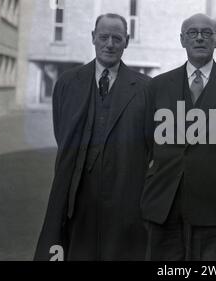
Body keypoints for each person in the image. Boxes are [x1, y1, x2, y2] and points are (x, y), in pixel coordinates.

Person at [141, 13, 216, 261]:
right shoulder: (157, 86)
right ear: (182, 40)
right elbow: (146, 138)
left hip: (215, 201)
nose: (200, 38)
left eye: (207, 33)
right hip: (163, 200)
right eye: (192, 33)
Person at [34, 13, 151, 260]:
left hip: (123, 199)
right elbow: (62, 133)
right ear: (93, 38)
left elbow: (150, 146)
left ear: (126, 41)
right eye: (104, 37)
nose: (110, 43)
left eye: (117, 38)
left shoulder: (146, 89)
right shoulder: (67, 83)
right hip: (77, 197)